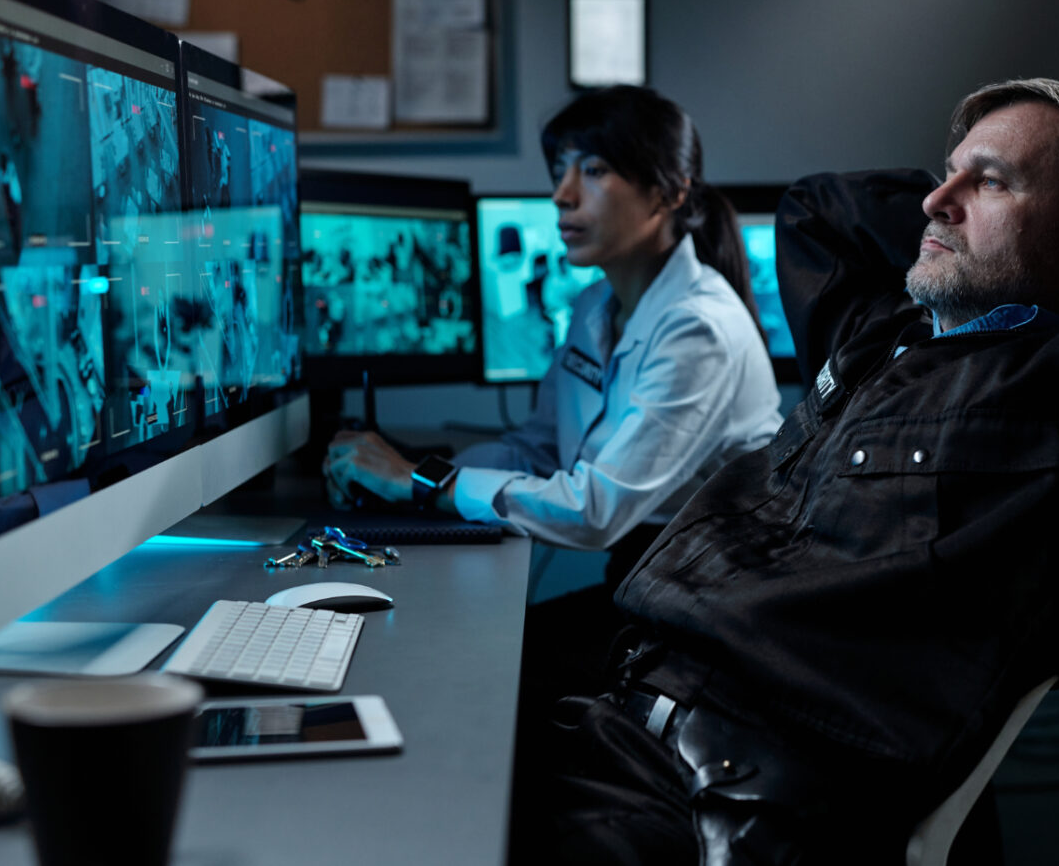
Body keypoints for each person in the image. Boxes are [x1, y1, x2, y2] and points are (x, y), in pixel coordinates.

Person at [507, 78, 1059, 864]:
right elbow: (818, 208)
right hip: (617, 718)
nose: (935, 202)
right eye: (949, 174)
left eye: (990, 182)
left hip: (719, 805)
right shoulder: (884, 337)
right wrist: (982, 208)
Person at [324, 85, 783, 691]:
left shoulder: (698, 331)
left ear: (669, 191)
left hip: (709, 612)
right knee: (472, 648)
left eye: (593, 170)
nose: (561, 194)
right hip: (646, 580)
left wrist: (425, 482)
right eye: (561, 170)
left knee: (481, 671)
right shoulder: (598, 305)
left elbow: (594, 512)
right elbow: (541, 445)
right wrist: (410, 477)